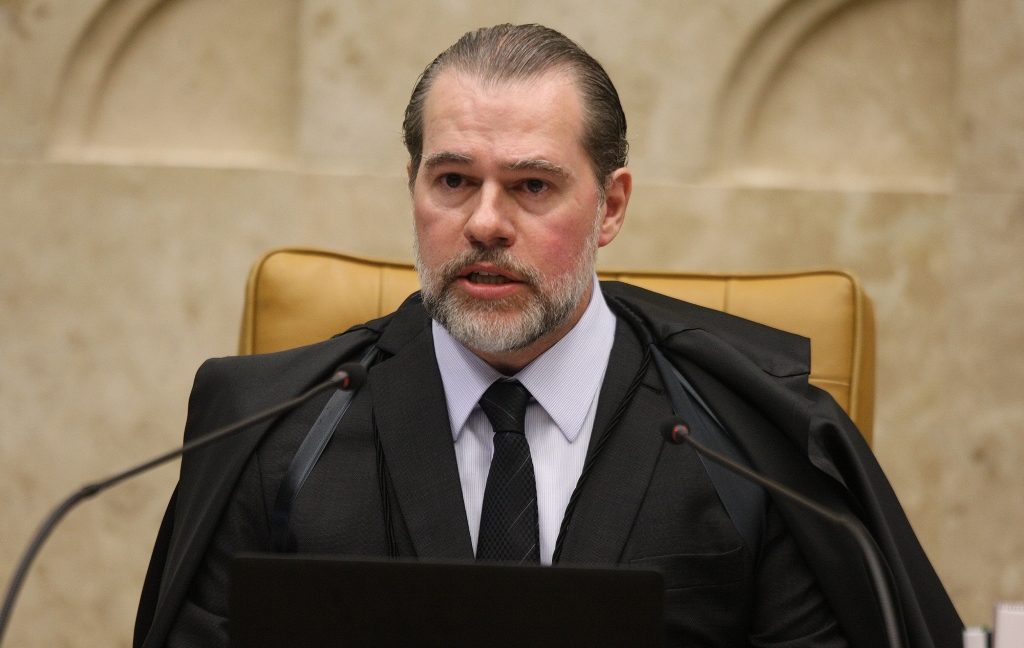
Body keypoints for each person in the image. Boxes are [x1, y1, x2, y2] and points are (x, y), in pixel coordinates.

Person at [134, 23, 962, 647]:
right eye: (453, 180)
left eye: (532, 185)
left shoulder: (746, 437)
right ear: (413, 186)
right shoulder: (276, 432)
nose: (485, 223)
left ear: (611, 207)